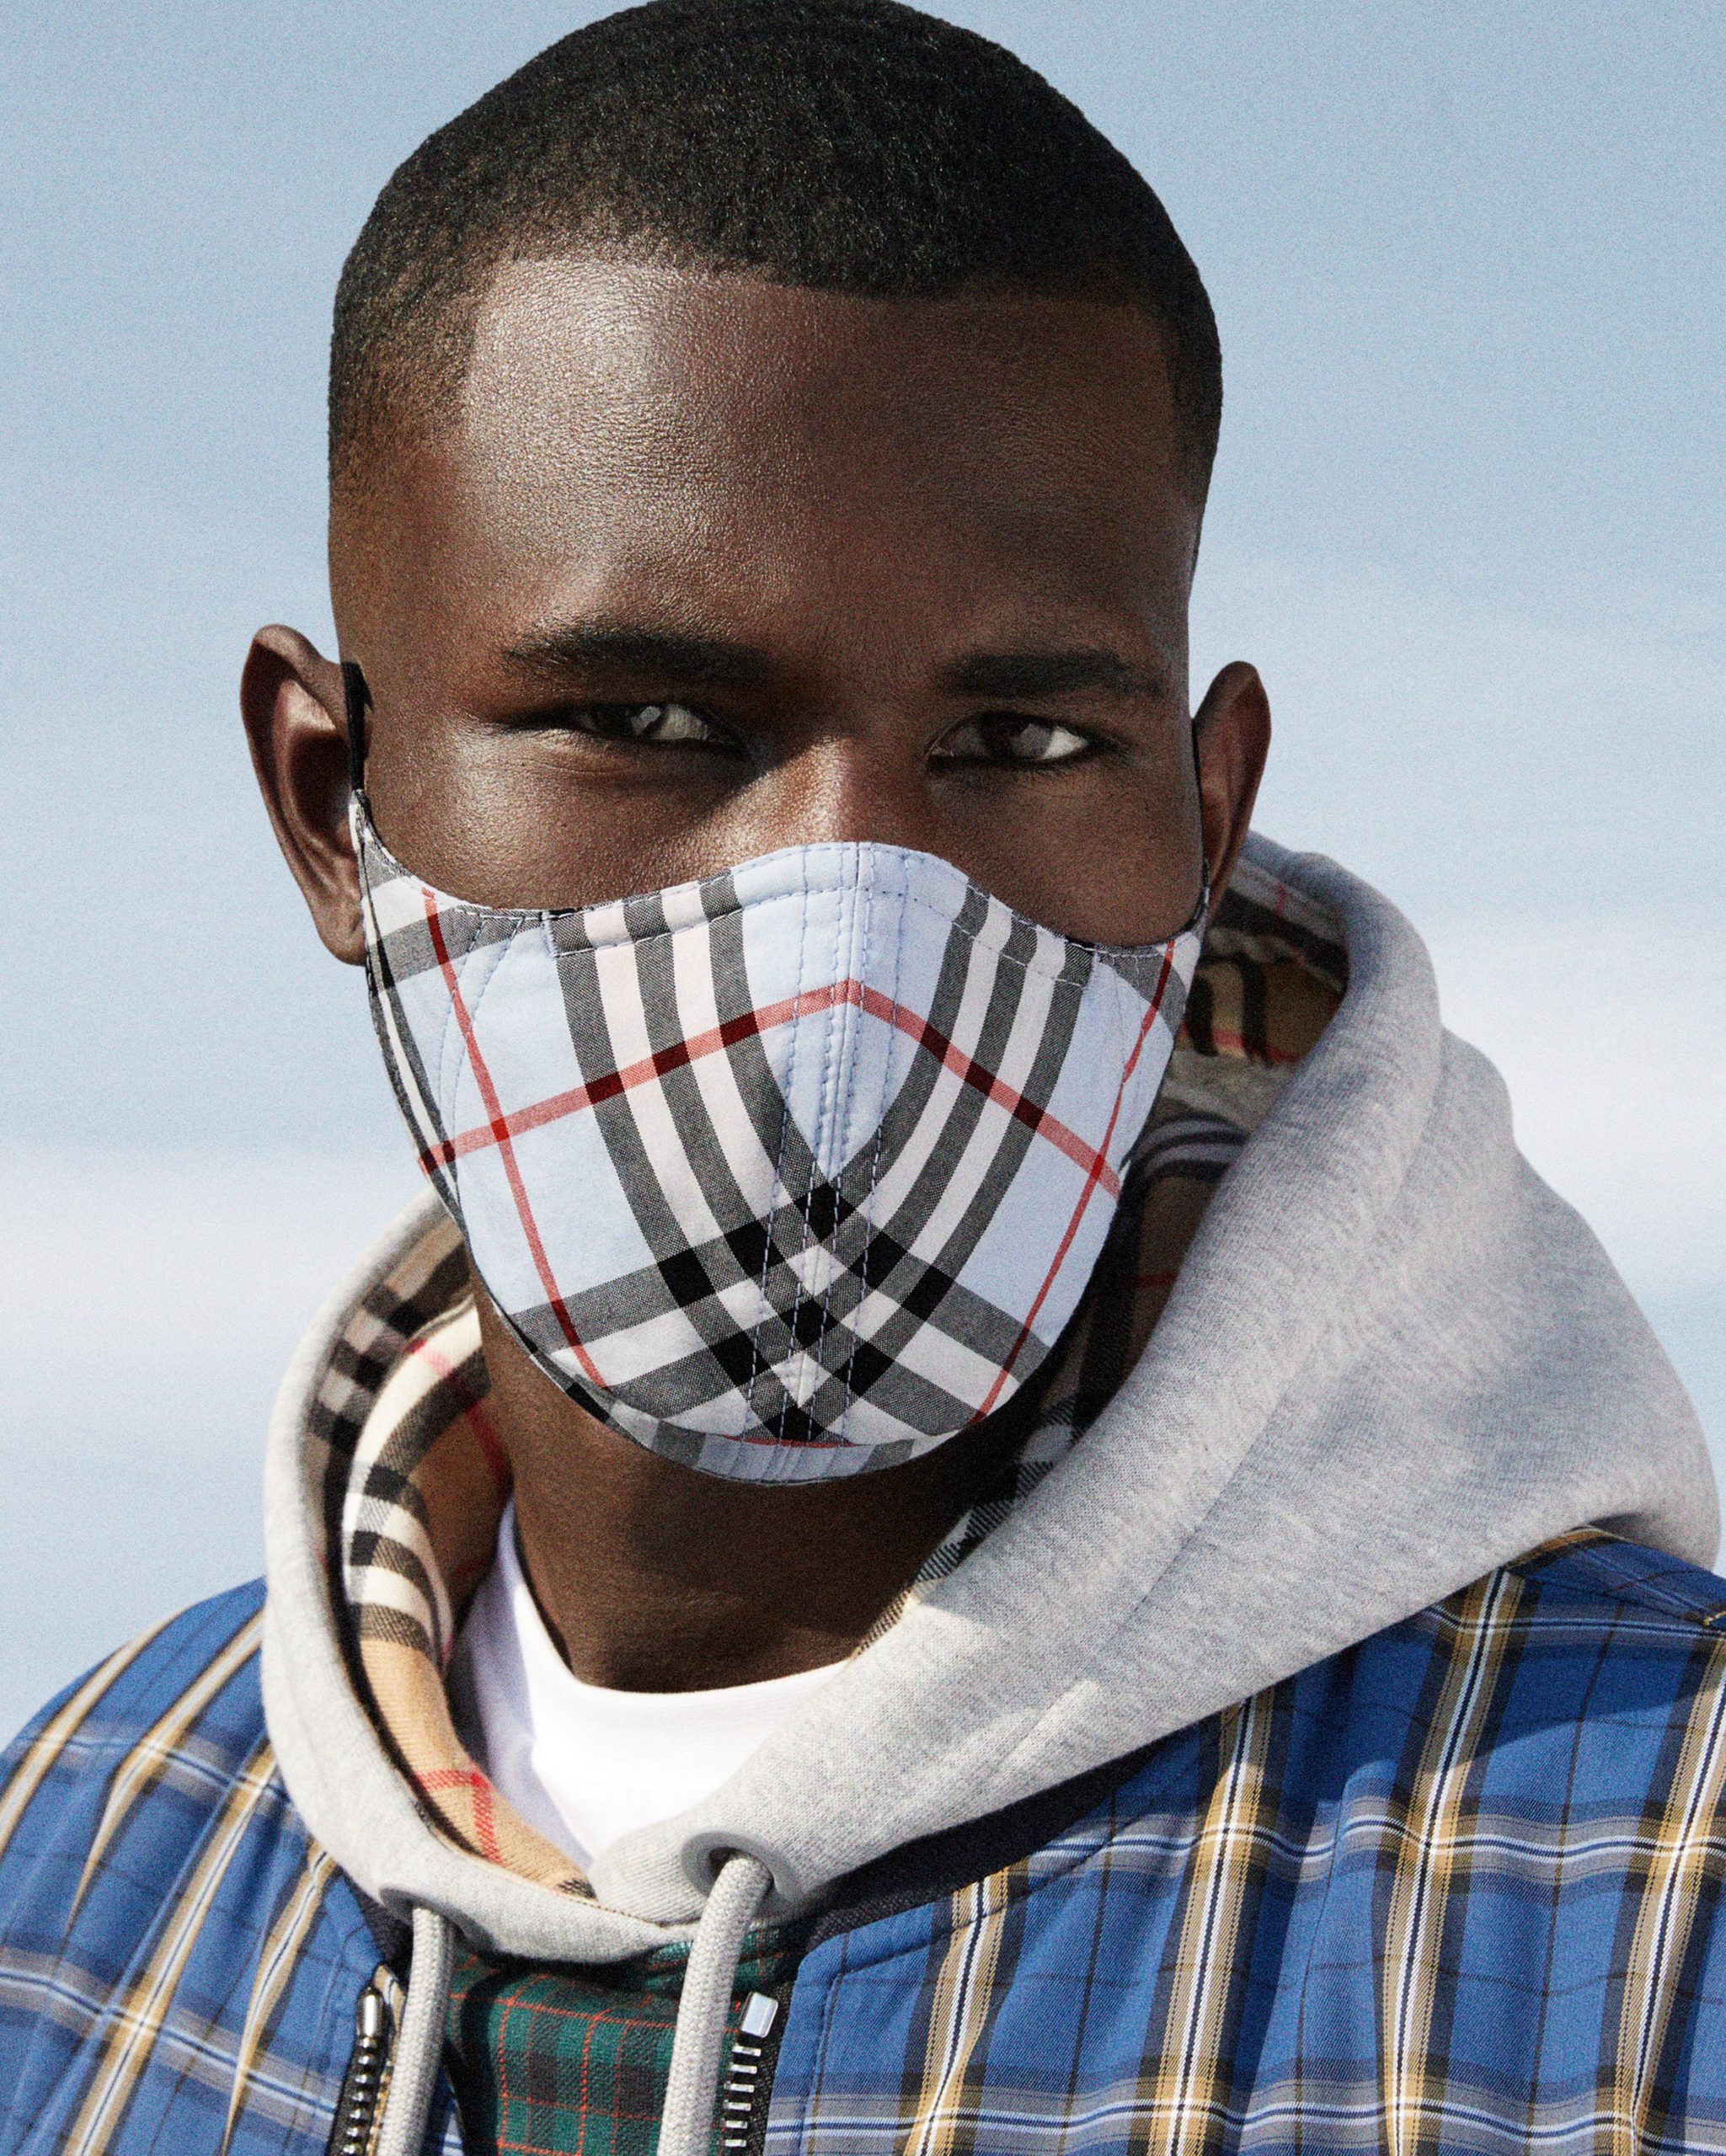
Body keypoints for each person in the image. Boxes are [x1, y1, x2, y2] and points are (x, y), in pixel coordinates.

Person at [3, 3, 1722, 2151]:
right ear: (332, 801)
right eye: (648, 723)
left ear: (1201, 822)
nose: (848, 929)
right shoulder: (70, 1879)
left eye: (1018, 742)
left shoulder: (1650, 1870)